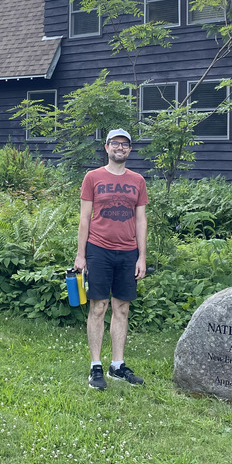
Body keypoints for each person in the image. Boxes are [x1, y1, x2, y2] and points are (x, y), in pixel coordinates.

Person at [74, 128, 148, 389]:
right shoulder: (92, 177)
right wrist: (81, 254)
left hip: (128, 252)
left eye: (125, 144)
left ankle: (117, 365)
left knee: (122, 308)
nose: (120, 148)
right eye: (115, 143)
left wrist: (142, 256)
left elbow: (141, 219)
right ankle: (96, 366)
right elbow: (84, 218)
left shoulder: (138, 180)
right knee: (98, 307)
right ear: (106, 147)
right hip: (98, 249)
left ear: (130, 150)